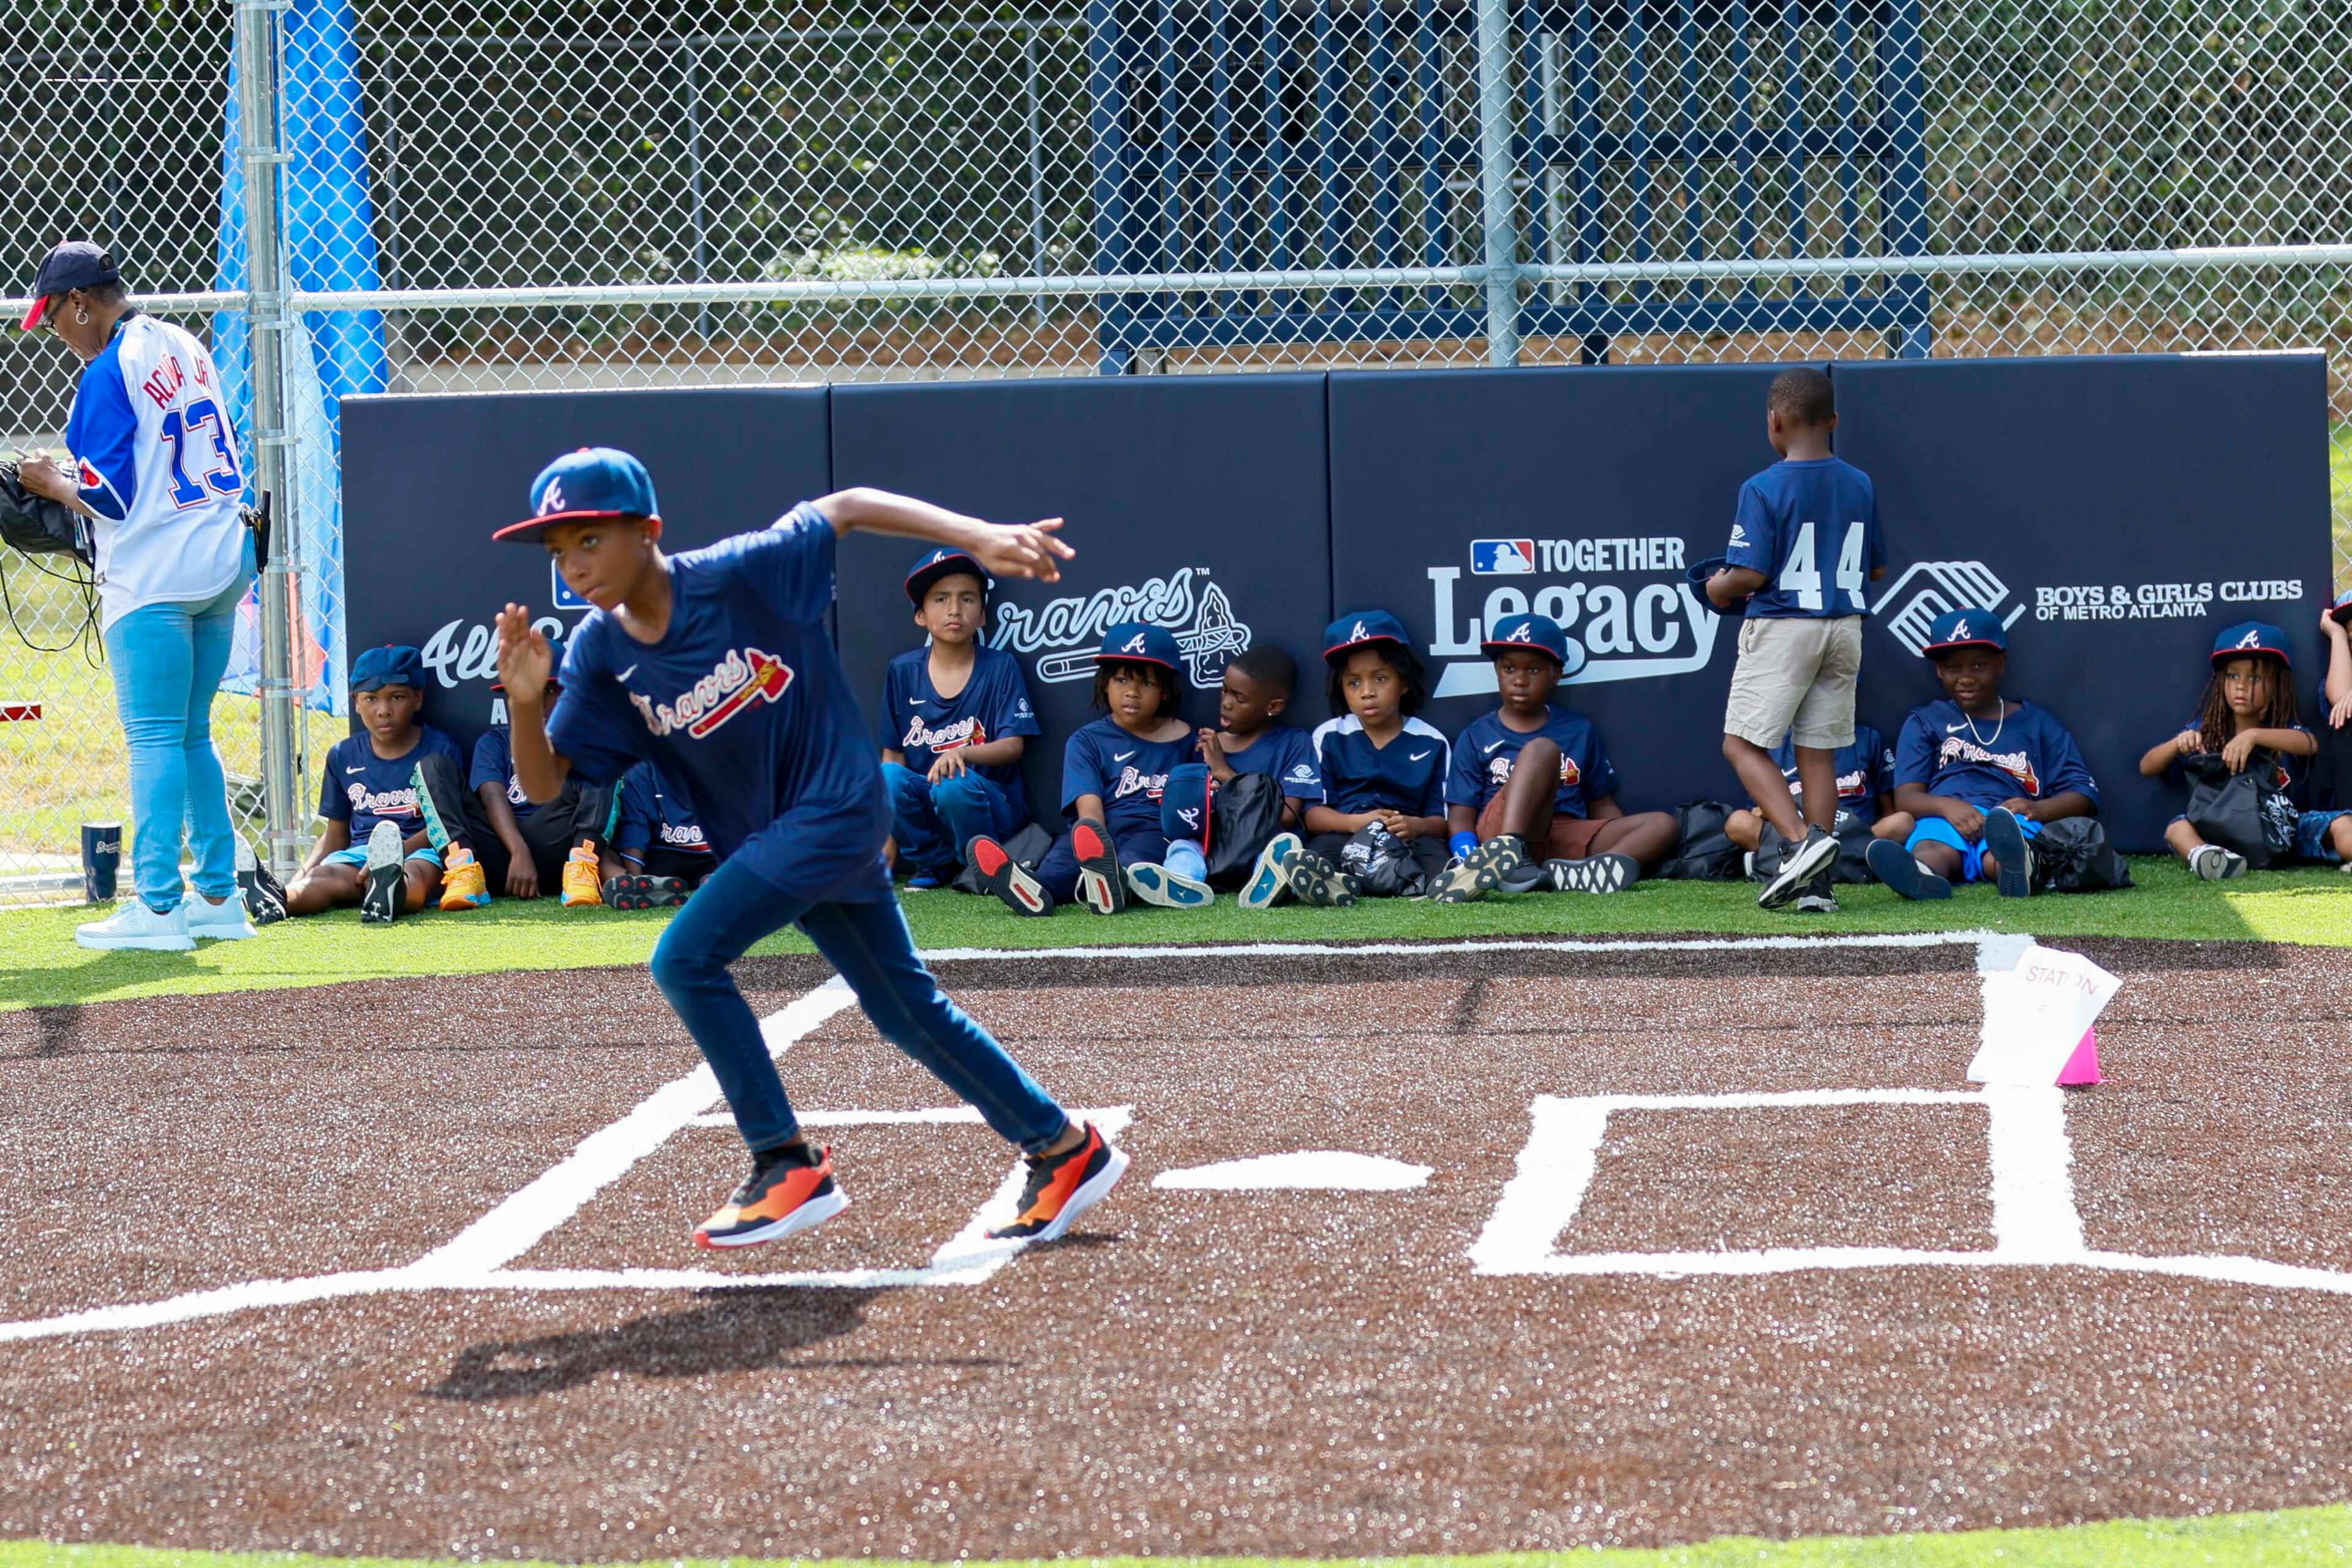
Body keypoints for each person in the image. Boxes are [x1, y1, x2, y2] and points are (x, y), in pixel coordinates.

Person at [491, 448, 1125, 1248]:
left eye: (590, 540)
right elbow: (547, 787)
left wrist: (980, 534)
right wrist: (522, 705)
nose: (574, 565)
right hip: (779, 837)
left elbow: (849, 505)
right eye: (558, 550)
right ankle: (1063, 1146)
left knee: (684, 959)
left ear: (648, 530)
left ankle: (783, 1161)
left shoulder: (738, 574)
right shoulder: (598, 653)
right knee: (904, 1011)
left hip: (836, 806)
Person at [18, 243, 257, 951]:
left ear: (83, 302)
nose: (55, 331)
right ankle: (218, 895)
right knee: (193, 732)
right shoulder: (184, 341)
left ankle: (157, 907)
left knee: (154, 735)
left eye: (55, 316)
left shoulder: (106, 369)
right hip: (220, 562)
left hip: (154, 572)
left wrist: (50, 482)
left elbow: (110, 497)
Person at [1703, 366, 1887, 913]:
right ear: (1833, 420)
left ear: (1775, 420)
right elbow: (1875, 570)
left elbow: (1750, 575)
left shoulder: (1762, 486)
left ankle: (1799, 843)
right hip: (1845, 627)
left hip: (1786, 625)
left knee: (1741, 743)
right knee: (1819, 753)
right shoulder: (1860, 483)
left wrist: (1717, 586)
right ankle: (1818, 886)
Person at [1866, 609, 2109, 900]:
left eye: (1979, 665)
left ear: (2000, 664)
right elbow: (1906, 798)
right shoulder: (1926, 720)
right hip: (1944, 818)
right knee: (1932, 850)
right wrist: (1947, 807)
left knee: (2002, 852)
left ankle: (2018, 870)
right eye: (1954, 668)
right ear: (1939, 670)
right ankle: (1921, 876)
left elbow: (2084, 794)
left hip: (2009, 820)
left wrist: (2037, 809)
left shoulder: (2037, 723)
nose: (1966, 678)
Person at [1439, 612, 1680, 902]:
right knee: (1542, 750)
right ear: (1497, 671)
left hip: (1562, 833)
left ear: (1556, 674)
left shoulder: (1578, 729)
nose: (1520, 680)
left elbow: (1600, 803)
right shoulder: (1477, 735)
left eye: (1534, 670)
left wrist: (1615, 835)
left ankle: (1579, 874)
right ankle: (1510, 851)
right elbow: (1460, 816)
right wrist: (1469, 860)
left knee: (1662, 825)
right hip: (1501, 831)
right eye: (1509, 669)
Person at [973, 623, 1206, 916]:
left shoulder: (1190, 743)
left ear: (1166, 692)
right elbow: (1089, 812)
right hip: (1094, 834)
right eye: (1121, 680)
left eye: (1146, 684)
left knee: (1134, 862)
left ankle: (1113, 883)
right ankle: (1030, 888)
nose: (1132, 692)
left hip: (1151, 832)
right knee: (1061, 867)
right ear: (1105, 684)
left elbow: (1193, 812)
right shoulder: (1087, 740)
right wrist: (1096, 846)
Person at [880, 547, 1041, 888]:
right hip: (933, 802)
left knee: (954, 783)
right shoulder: (903, 670)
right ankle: (934, 865)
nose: (954, 609)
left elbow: (1013, 745)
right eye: (940, 599)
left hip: (990, 803)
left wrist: (962, 753)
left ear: (982, 614)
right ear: (920, 615)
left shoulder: (1000, 666)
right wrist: (887, 840)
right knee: (886, 777)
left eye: (967, 599)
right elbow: (894, 754)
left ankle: (982, 866)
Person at [2139, 622, 2342, 877]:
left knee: (2344, 824)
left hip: (2285, 830)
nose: (2241, 686)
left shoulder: (2280, 728)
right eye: (2233, 676)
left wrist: (2254, 736)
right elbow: (2147, 767)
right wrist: (2178, 743)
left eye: (2255, 677)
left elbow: (2310, 744)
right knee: (2177, 827)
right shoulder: (2207, 730)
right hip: (2222, 834)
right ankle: (2207, 858)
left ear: (2275, 686)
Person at [284, 645, 466, 922]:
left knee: (414, 877)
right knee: (323, 878)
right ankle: (279, 899)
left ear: (418, 698)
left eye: (396, 697)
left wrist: (394, 855)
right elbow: (335, 835)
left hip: (418, 852)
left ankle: (388, 891)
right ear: (356, 702)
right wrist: (301, 875)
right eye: (371, 699)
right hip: (359, 856)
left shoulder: (440, 750)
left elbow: (442, 827)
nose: (384, 710)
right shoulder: (342, 755)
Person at [1289, 611, 1452, 906]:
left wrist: (1416, 826)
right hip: (1346, 831)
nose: (1367, 693)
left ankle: (1446, 884)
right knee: (1319, 854)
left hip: (1407, 837)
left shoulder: (1432, 741)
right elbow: (1313, 816)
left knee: (1437, 859)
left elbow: (1441, 821)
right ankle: (1336, 886)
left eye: (1380, 678)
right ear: (1341, 687)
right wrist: (1355, 823)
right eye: (1354, 683)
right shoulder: (1329, 736)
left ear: (1403, 682)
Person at [460, 678, 610, 907]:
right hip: (503, 855)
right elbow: (492, 797)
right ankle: (462, 871)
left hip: (559, 850)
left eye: (549, 691)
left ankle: (583, 870)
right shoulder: (495, 742)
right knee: (434, 767)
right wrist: (519, 851)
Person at [1196, 644, 1322, 909]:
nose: (1226, 703)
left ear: (1273, 706)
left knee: (1281, 851)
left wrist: (1225, 774)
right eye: (1224, 690)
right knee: (1183, 850)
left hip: (1263, 846)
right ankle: (1183, 882)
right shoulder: (1205, 743)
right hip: (1213, 849)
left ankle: (1268, 883)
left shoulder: (1293, 743)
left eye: (1240, 699)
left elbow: (1288, 815)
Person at [1726, 723, 1915, 894]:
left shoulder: (1868, 738)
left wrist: (1864, 833)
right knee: (1739, 822)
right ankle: (1847, 863)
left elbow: (1889, 809)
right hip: (1793, 832)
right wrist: (1764, 812)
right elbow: (1756, 810)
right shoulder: (1776, 744)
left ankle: (1775, 862)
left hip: (1854, 832)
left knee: (1903, 822)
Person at [605, 758, 717, 905]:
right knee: (601, 851)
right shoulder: (720, 760)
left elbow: (635, 830)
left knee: (602, 853)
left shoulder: (641, 767)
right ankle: (715, 881)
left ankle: (636, 885)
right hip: (712, 857)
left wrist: (636, 874)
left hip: (659, 864)